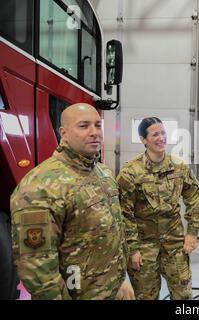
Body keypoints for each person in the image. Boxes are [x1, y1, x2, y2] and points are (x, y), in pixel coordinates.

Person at [10, 103, 134, 300]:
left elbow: (114, 233)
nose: (94, 132)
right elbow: (36, 267)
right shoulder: (40, 186)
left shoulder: (103, 173)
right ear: (64, 133)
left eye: (97, 125)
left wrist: (120, 280)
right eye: (84, 126)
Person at [117, 117, 199, 300]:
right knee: (145, 296)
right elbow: (124, 214)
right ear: (143, 140)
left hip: (175, 244)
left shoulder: (179, 167)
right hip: (144, 246)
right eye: (155, 134)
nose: (161, 138)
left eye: (163, 133)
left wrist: (192, 232)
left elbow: (193, 197)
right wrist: (132, 249)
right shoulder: (130, 172)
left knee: (184, 295)